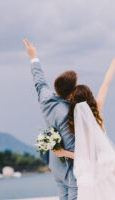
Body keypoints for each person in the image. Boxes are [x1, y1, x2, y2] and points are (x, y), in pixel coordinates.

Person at [52, 47, 115, 199]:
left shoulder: (77, 124)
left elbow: (86, 156)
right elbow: (106, 83)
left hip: (94, 174)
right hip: (110, 166)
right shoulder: (98, 110)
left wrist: (63, 153)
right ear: (90, 97)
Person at [23, 39, 77, 200]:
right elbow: (74, 150)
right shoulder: (67, 114)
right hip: (69, 169)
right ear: (71, 92)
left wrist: (33, 57)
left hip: (55, 166)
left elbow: (38, 80)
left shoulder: (45, 97)